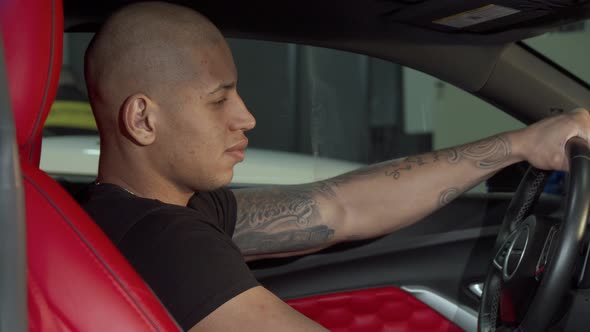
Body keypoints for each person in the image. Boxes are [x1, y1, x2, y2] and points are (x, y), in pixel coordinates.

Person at [78, 2, 590, 331]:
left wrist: (520, 144)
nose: (247, 117)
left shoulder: (159, 212)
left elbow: (340, 207)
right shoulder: (162, 242)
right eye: (219, 100)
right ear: (143, 119)